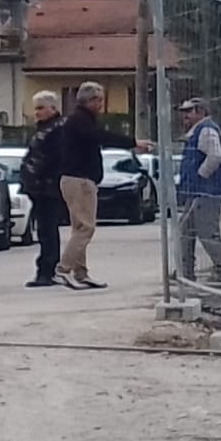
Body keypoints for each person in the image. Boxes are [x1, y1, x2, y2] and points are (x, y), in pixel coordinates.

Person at [56, 82, 142, 290]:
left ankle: (81, 272)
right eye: (99, 100)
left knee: (79, 228)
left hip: (77, 179)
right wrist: (132, 142)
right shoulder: (80, 121)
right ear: (90, 101)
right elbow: (101, 137)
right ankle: (63, 268)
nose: (102, 104)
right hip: (80, 180)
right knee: (86, 227)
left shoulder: (82, 120)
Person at [176, 97, 221, 284]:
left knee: (207, 232)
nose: (185, 116)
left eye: (188, 112)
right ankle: (186, 271)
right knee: (185, 231)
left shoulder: (206, 130)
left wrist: (201, 175)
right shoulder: (199, 131)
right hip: (197, 192)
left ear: (201, 112)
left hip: (206, 191)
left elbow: (215, 156)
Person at [19, 90, 66, 288]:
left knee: (48, 231)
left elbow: (50, 160)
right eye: (35, 108)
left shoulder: (56, 131)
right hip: (40, 188)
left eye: (40, 108)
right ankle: (46, 269)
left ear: (53, 109)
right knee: (45, 231)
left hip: (48, 188)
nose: (36, 112)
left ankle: (48, 270)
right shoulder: (44, 130)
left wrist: (37, 176)